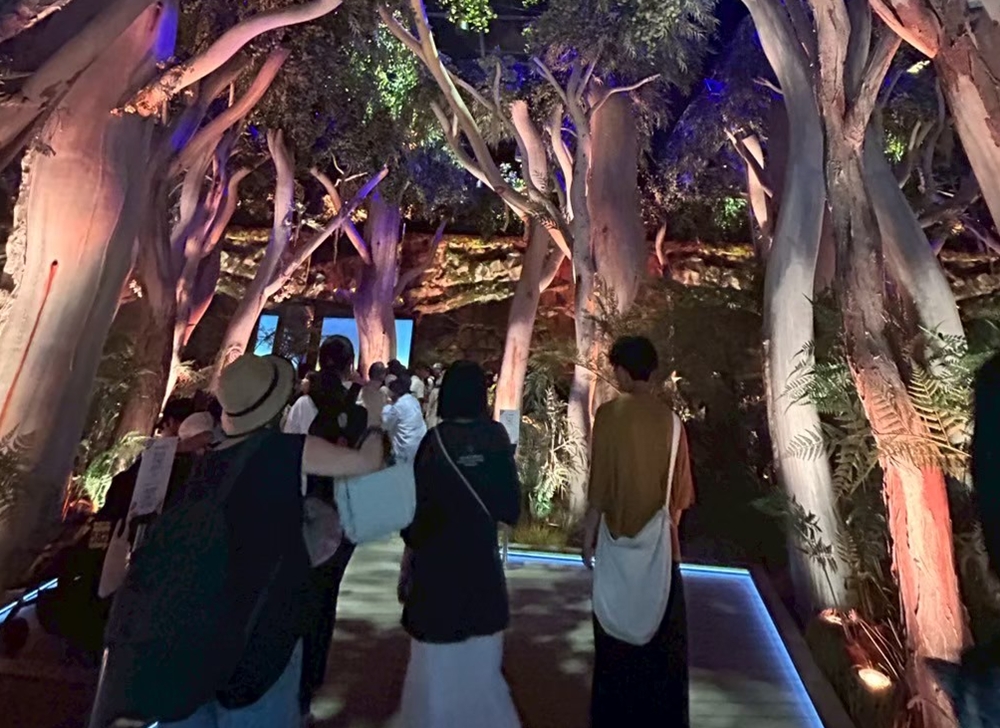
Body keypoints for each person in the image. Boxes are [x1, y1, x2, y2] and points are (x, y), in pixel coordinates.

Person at [147, 354, 386, 728]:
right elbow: (367, 462)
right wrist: (374, 415)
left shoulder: (200, 461)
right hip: (260, 633)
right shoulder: (286, 450)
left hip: (189, 636)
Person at [394, 361, 521, 728]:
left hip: (436, 576)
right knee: (481, 673)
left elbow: (416, 516)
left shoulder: (433, 443)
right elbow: (510, 508)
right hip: (481, 573)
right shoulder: (496, 438)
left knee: (433, 676)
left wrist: (407, 563)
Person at [582, 335, 695, 728]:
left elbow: (599, 488)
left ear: (624, 372)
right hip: (662, 554)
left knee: (614, 647)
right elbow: (679, 499)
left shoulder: (608, 416)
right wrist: (665, 537)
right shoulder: (673, 423)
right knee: (662, 654)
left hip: (615, 546)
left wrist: (588, 536)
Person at [282, 336, 370, 723]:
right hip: (343, 510)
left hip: (304, 507)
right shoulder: (360, 403)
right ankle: (311, 679)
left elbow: (289, 454)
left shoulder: (304, 403)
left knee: (293, 595)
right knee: (325, 598)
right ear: (350, 363)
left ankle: (290, 682)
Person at [382, 376, 428, 464]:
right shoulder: (413, 400)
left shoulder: (398, 406)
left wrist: (387, 405)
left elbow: (385, 424)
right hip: (419, 441)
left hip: (406, 447)